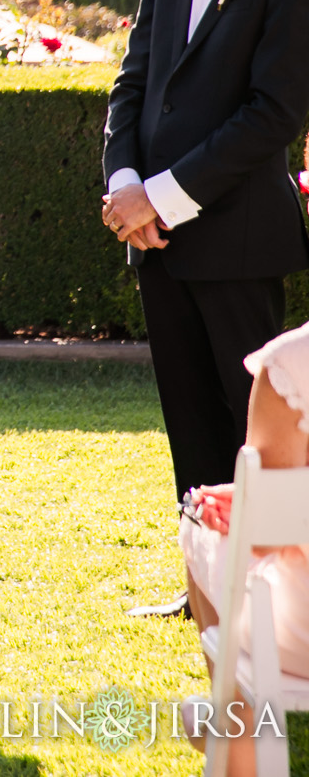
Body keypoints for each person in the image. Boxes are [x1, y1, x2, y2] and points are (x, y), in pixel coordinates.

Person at [102, 0, 309, 620]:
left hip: (238, 232)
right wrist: (122, 183)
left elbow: (275, 113)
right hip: (159, 235)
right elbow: (135, 77)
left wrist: (164, 194)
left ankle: (273, 601)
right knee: (186, 414)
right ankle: (204, 591)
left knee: (251, 427)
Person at [177, 320, 309, 773]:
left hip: (302, 636)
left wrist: (250, 500)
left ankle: (233, 730)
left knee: (200, 525)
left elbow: (267, 533)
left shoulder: (295, 360)